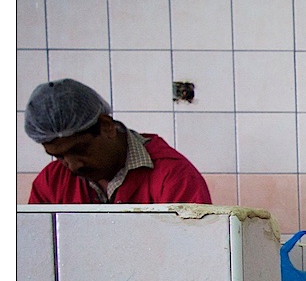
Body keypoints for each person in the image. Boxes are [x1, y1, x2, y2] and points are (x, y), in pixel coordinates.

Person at [24, 78, 212, 204]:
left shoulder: (173, 177)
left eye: (80, 149)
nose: (73, 166)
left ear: (106, 126)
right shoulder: (51, 182)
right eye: (59, 157)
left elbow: (191, 249)